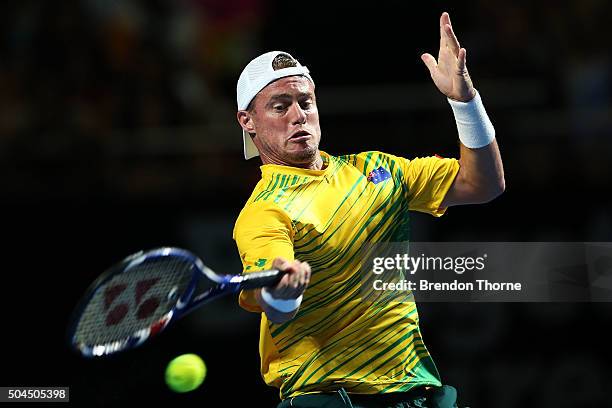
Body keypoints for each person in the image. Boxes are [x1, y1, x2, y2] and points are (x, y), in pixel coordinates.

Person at [233, 12, 504, 408]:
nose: (298, 116)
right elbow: (273, 300)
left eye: (305, 102)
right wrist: (284, 289)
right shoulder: (264, 210)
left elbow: (483, 185)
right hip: (328, 399)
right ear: (248, 122)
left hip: (416, 393)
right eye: (280, 106)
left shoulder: (377, 169)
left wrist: (464, 101)